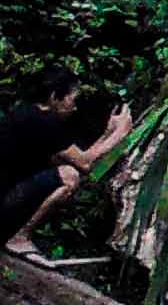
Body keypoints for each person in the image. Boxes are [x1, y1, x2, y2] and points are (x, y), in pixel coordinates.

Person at [0, 75, 131, 261]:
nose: (75, 107)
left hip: (9, 194)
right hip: (6, 199)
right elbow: (85, 164)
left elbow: (80, 158)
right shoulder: (45, 123)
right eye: (72, 99)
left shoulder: (27, 113)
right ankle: (20, 237)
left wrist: (108, 133)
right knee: (69, 176)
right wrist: (120, 133)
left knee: (64, 169)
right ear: (54, 97)